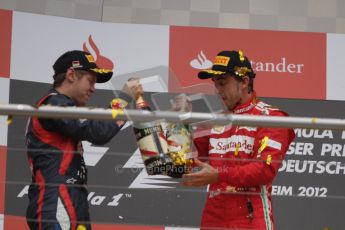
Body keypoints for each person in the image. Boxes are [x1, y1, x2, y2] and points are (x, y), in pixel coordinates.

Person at [182, 50, 295, 230]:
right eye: (215, 85)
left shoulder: (271, 117)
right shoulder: (214, 120)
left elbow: (264, 170)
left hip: (250, 218)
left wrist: (219, 175)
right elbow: (185, 161)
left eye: (223, 83)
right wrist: (179, 125)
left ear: (244, 81)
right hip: (213, 217)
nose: (218, 91)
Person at [25, 50, 129, 230]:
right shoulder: (54, 104)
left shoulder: (57, 104)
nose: (94, 88)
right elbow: (99, 132)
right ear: (71, 75)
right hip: (56, 198)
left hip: (69, 197)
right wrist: (124, 100)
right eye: (91, 81)